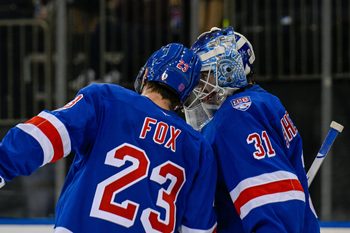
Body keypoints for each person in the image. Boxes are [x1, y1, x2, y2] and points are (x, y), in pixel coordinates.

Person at [0, 43, 217, 233]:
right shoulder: (198, 147)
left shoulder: (107, 99)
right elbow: (199, 228)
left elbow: (46, 134)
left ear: (147, 72)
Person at [184, 27, 320, 233]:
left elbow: (269, 199)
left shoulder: (238, 113)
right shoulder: (262, 102)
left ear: (229, 70)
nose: (198, 87)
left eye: (205, 76)